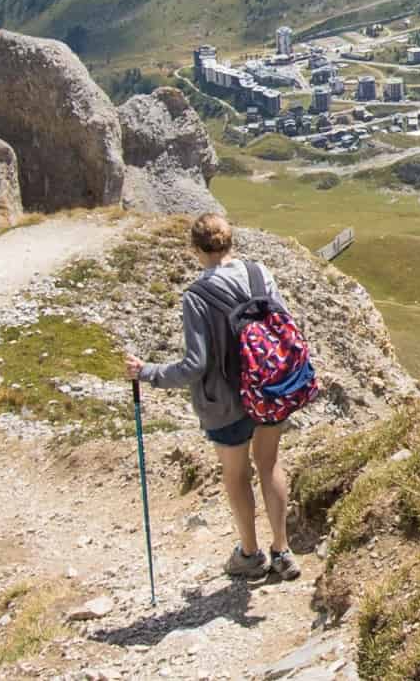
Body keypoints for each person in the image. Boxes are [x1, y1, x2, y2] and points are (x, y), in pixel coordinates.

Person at [125, 213, 301, 581]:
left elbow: (194, 364)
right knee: (269, 465)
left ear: (195, 249)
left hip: (226, 402)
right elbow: (284, 322)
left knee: (236, 475)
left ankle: (250, 555)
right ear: (230, 240)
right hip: (268, 389)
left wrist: (147, 372)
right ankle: (283, 552)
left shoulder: (196, 296)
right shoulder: (258, 273)